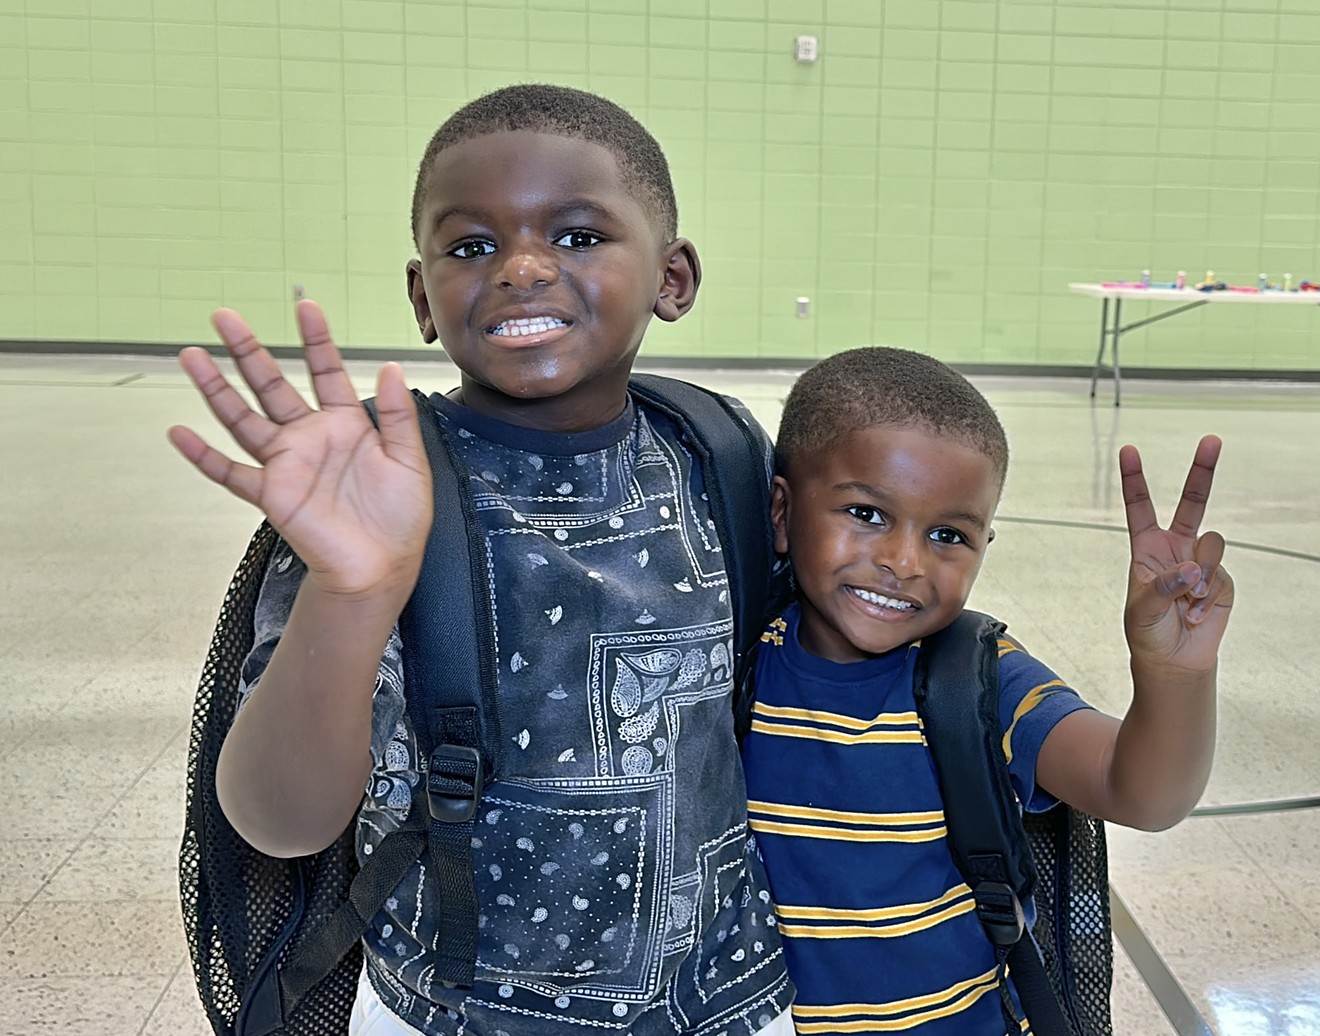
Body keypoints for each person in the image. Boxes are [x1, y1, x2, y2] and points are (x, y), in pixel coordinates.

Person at [168, 84, 793, 1036]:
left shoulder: (719, 454)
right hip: (451, 1011)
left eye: (579, 236)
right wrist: (352, 588)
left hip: (729, 1002)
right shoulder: (386, 495)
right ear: (423, 297)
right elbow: (277, 822)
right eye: (471, 247)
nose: (523, 268)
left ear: (673, 279)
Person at [740, 346, 1233, 1034]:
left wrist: (1174, 674)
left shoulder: (979, 681)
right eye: (867, 513)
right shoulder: (730, 669)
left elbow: (1143, 794)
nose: (904, 563)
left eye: (948, 535)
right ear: (783, 512)